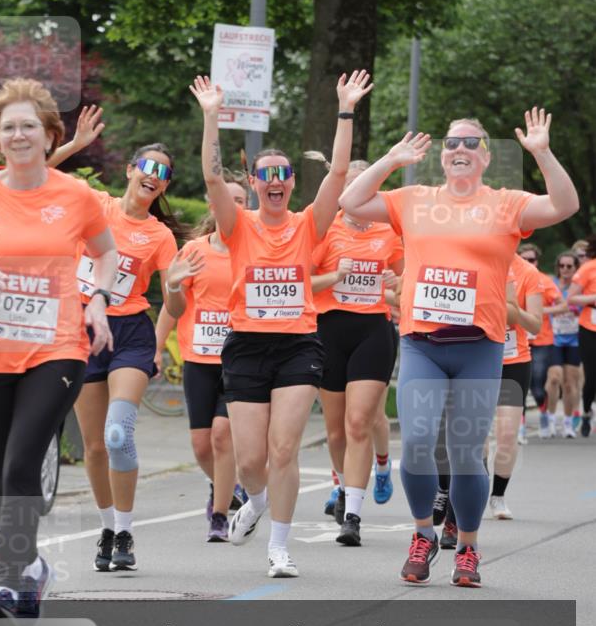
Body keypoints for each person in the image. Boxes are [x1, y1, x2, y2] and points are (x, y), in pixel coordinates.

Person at [340, 108, 578, 587]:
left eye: (472, 143)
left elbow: (564, 205)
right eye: (452, 143)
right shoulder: (415, 199)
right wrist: (390, 158)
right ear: (442, 158)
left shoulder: (507, 203)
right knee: (420, 443)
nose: (461, 149)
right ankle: (423, 534)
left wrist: (543, 152)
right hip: (423, 343)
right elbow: (350, 199)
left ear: (486, 157)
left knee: (467, 453)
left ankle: (467, 546)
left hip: (479, 346)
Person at [0, 78, 117, 617]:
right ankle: (32, 567)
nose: (17, 135)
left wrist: (98, 300)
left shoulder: (74, 196)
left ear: (48, 133)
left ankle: (15, 583)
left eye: (28, 126)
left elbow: (105, 254)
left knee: (19, 466)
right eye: (8, 126)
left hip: (54, 348)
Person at [191, 70, 370, 578]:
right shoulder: (237, 224)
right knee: (250, 460)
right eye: (265, 175)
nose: (273, 181)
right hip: (246, 345)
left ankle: (279, 547)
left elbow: (337, 175)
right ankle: (257, 499)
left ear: (291, 182)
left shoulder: (308, 223)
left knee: (284, 447)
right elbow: (209, 177)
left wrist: (345, 110)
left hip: (297, 346)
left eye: (282, 174)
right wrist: (211, 117)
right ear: (254, 183)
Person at [55, 143, 180, 572]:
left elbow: (173, 301)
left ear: (165, 185)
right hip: (82, 332)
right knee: (92, 446)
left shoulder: (160, 235)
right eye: (146, 166)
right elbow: (39, 175)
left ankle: (125, 531)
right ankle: (108, 528)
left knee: (116, 434)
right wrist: (74, 145)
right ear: (129, 170)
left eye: (163, 172)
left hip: (130, 334)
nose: (153, 175)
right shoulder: (96, 204)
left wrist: (167, 323)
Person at [310, 160, 404, 546]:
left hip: (373, 330)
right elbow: (301, 283)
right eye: (350, 186)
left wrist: (396, 282)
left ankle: (352, 514)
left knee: (359, 421)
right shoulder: (324, 229)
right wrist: (336, 276)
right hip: (330, 329)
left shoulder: (389, 232)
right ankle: (342, 480)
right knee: (334, 432)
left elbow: (405, 290)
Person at [156, 173, 249, 541]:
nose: (236, 206)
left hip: (241, 359)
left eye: (242, 200)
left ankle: (220, 514)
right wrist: (157, 345)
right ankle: (225, 484)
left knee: (223, 435)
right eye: (230, 198)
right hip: (199, 358)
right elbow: (171, 307)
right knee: (201, 443)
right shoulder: (194, 251)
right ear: (214, 204)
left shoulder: (257, 250)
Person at [489, 254, 542, 518]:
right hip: (477, 359)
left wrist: (511, 309)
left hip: (514, 360)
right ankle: (470, 493)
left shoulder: (528, 273)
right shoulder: (478, 258)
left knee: (507, 436)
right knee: (473, 437)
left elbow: (536, 324)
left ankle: (498, 496)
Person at [516, 242, 562, 442]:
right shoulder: (510, 277)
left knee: (537, 385)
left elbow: (563, 305)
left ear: (538, 261)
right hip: (517, 340)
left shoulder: (544, 280)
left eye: (532, 259)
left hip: (541, 339)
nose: (528, 263)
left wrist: (537, 313)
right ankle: (520, 426)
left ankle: (544, 413)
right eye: (524, 259)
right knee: (519, 386)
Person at [545, 251, 582, 438]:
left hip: (574, 340)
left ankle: (567, 423)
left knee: (569, 384)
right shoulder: (551, 285)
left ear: (576, 268)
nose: (565, 269)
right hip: (554, 338)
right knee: (553, 379)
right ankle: (550, 420)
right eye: (562, 266)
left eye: (569, 266)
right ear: (557, 267)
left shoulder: (580, 288)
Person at [567, 234, 596, 437]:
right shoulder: (588, 268)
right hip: (589, 326)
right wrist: (593, 298)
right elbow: (571, 298)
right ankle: (586, 411)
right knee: (592, 374)